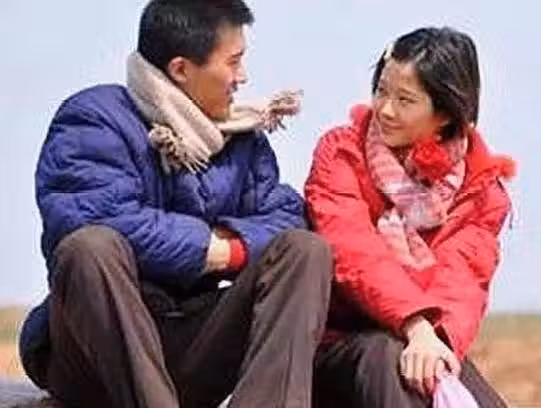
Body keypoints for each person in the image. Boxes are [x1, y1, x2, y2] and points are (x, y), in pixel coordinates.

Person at [19, 1, 333, 407]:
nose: (243, 77)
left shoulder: (242, 138)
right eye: (233, 62)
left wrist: (233, 249)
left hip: (191, 342)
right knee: (89, 245)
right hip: (95, 354)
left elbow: (286, 217)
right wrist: (209, 249)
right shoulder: (94, 118)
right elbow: (97, 218)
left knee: (305, 250)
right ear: (181, 69)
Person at [305, 27, 516, 408]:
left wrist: (434, 341)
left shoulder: (481, 190)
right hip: (337, 344)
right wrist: (414, 324)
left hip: (424, 336)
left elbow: (462, 280)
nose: (385, 109)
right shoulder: (342, 153)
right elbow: (354, 253)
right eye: (381, 91)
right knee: (386, 355)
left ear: (445, 114)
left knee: (467, 392)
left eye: (405, 100)